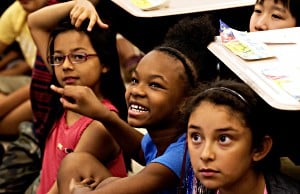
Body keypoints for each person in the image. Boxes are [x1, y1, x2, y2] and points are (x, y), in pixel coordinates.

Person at [47, 13, 219, 194]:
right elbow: (139, 149)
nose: (136, 91)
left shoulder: (183, 153)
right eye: (135, 80)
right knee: (76, 163)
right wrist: (103, 114)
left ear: (187, 101)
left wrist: (81, 191)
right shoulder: (161, 138)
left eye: (155, 85)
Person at [28, 1, 130, 193]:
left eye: (79, 56)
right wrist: (78, 3)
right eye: (58, 58)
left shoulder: (99, 125)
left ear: (105, 63)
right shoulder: (65, 88)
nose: (66, 65)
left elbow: (59, 189)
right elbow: (35, 22)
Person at [180, 79, 300, 194]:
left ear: (260, 148)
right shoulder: (194, 184)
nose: (205, 155)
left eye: (223, 139)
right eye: (196, 137)